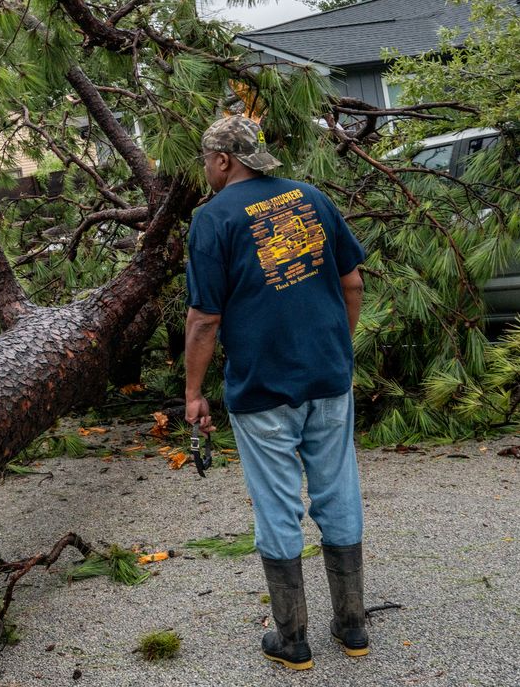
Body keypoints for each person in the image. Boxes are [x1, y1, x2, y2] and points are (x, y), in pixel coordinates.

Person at [183, 115, 367, 671]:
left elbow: (205, 320)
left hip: (262, 387)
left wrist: (193, 392)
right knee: (339, 492)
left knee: (277, 505)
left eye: (206, 160)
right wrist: (337, 348)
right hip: (328, 378)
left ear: (221, 160)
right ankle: (353, 627)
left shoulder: (212, 220)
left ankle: (292, 639)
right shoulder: (312, 197)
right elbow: (352, 282)